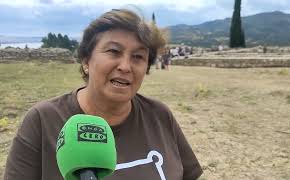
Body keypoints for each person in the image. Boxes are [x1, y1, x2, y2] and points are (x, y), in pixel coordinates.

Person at [4, 9, 203, 180]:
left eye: (138, 57)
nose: (125, 66)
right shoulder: (43, 121)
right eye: (114, 51)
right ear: (86, 60)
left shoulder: (160, 115)